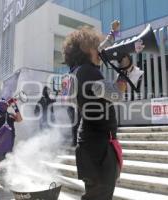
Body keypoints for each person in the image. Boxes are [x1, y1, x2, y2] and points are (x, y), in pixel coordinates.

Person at [63, 27, 126, 200]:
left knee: (94, 194)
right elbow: (117, 94)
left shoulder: (77, 71)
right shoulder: (88, 71)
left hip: (90, 144)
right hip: (99, 148)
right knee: (100, 196)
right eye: (96, 46)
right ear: (85, 50)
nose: (101, 50)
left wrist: (112, 35)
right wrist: (124, 72)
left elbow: (99, 50)